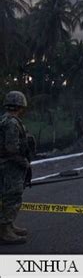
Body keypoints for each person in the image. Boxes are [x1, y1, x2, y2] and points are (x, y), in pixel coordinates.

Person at [0, 91, 34, 244]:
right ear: (20, 105)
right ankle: (5, 231)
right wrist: (24, 163)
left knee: (10, 196)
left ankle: (9, 225)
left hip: (7, 165)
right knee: (12, 197)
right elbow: (12, 149)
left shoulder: (6, 119)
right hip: (10, 166)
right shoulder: (12, 123)